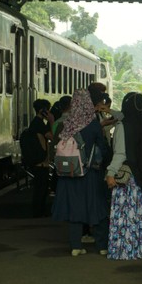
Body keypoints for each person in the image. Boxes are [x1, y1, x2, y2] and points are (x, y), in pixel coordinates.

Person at [51, 90, 110, 256]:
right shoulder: (93, 124)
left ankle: (76, 246)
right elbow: (103, 149)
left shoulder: (67, 123)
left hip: (70, 173)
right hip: (90, 172)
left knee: (74, 208)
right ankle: (102, 246)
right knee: (96, 207)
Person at [105, 93, 142, 260]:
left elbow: (120, 153)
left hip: (128, 179)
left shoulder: (122, 126)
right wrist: (111, 111)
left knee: (125, 214)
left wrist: (111, 173)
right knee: (140, 214)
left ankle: (124, 250)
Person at [28, 99, 53, 218]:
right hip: (41, 162)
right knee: (41, 188)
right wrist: (52, 121)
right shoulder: (38, 123)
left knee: (41, 187)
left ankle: (39, 211)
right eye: (47, 110)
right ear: (42, 110)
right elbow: (51, 136)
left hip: (40, 160)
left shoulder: (35, 122)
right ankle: (39, 212)